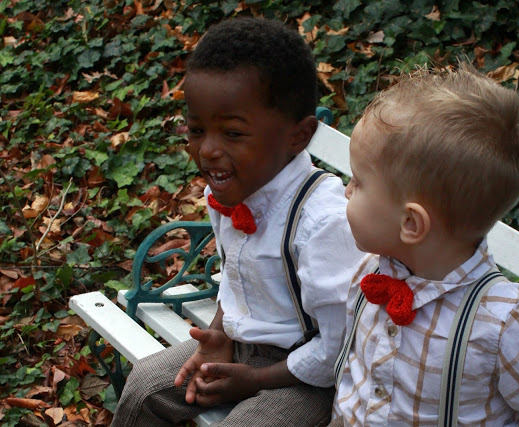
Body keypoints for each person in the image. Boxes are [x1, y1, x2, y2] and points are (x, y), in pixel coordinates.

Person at [113, 17, 365, 426]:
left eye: (232, 133)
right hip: (241, 347)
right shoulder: (228, 190)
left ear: (297, 136)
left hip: (309, 376)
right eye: (197, 129)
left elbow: (341, 347)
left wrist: (255, 380)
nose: (207, 150)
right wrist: (219, 335)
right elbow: (235, 274)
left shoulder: (322, 222)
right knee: (144, 388)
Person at [330, 64, 519, 426]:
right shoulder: (371, 275)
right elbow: (355, 379)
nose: (347, 189)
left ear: (411, 223)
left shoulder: (502, 323)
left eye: (358, 182)